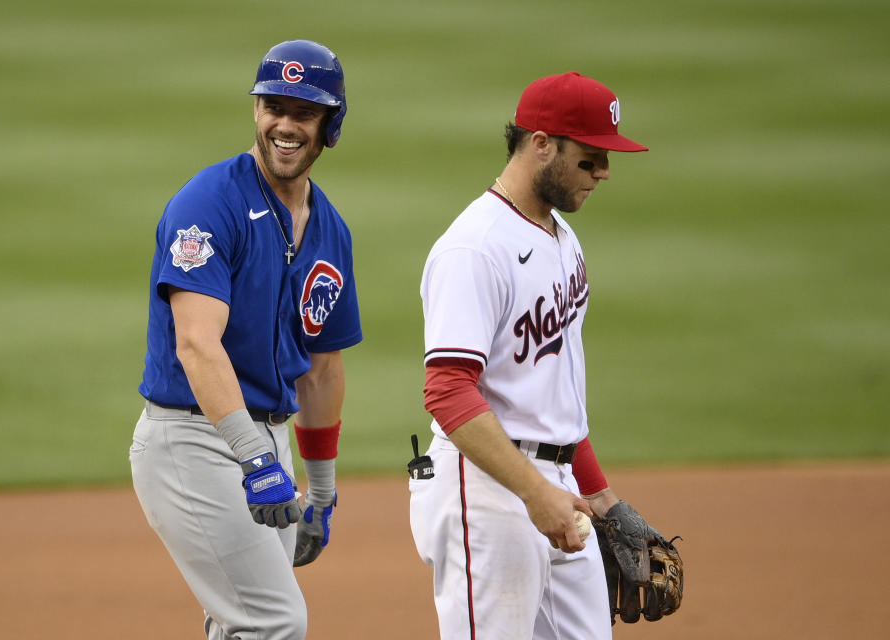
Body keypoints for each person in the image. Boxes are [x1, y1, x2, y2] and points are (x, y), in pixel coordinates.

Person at [409, 72, 658, 639]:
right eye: (591, 158)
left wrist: (602, 496)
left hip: (558, 486)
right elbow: (448, 390)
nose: (604, 172)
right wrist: (534, 492)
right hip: (488, 489)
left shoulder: (562, 237)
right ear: (542, 143)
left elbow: (555, 395)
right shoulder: (474, 248)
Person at [129, 39, 361, 640]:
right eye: (272, 106)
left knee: (239, 625)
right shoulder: (209, 204)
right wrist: (254, 460)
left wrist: (323, 489)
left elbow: (320, 369)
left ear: (330, 124)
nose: (284, 125)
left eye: (303, 112)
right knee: (274, 621)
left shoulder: (331, 231)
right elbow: (197, 344)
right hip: (195, 440)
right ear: (255, 111)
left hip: (268, 441)